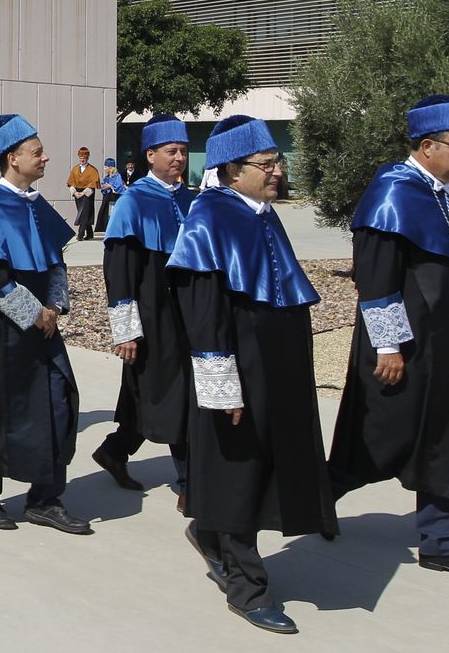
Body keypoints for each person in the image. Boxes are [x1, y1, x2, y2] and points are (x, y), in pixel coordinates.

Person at [168, 115, 336, 635]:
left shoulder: (264, 214)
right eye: (267, 164)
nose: (277, 171)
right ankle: (247, 586)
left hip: (277, 363)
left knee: (268, 461)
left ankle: (211, 531)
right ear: (231, 170)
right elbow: (201, 311)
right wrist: (221, 384)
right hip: (238, 365)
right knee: (237, 467)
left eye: (277, 162)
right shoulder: (209, 218)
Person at [327, 95, 449, 584]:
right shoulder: (393, 193)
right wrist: (388, 346)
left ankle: (442, 542)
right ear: (428, 146)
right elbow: (377, 276)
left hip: (447, 345)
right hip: (404, 346)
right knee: (380, 435)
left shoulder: (441, 191)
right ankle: (310, 499)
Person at [0, 114, 90, 535]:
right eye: (37, 152)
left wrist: (53, 306)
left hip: (43, 326)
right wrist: (32, 312)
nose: (46, 157)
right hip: (2, 327)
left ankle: (45, 499)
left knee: (56, 402)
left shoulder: (37, 204)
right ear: (13, 158)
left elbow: (54, 260)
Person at [93, 115, 198, 506]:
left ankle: (114, 450)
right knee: (172, 393)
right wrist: (126, 330)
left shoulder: (190, 199)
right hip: (153, 314)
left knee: (153, 393)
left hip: (188, 313)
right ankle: (190, 482)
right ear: (150, 154)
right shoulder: (134, 201)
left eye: (183, 152)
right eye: (171, 151)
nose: (179, 158)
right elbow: (119, 270)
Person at [66, 147, 101, 240]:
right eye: (81, 158)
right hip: (77, 193)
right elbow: (70, 182)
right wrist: (74, 192)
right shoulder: (75, 169)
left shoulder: (93, 170)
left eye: (84, 158)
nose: (82, 159)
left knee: (84, 213)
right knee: (82, 212)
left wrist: (83, 193)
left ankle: (80, 234)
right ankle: (89, 233)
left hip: (87, 194)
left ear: (87, 158)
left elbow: (93, 184)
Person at [96, 157, 125, 233]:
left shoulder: (117, 176)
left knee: (112, 214)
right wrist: (103, 186)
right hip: (107, 198)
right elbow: (104, 185)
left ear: (110, 167)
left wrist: (110, 186)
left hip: (114, 198)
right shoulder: (107, 177)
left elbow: (119, 187)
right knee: (105, 214)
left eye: (105, 167)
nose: (104, 168)